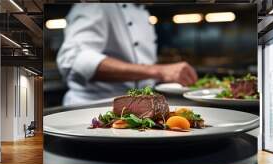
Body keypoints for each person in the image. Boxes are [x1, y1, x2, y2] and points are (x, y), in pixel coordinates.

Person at [57, 3, 197, 105]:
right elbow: (74, 60)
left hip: (140, 109)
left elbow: (142, 72)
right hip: (94, 108)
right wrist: (159, 71)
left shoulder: (142, 11)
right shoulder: (96, 6)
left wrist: (167, 77)